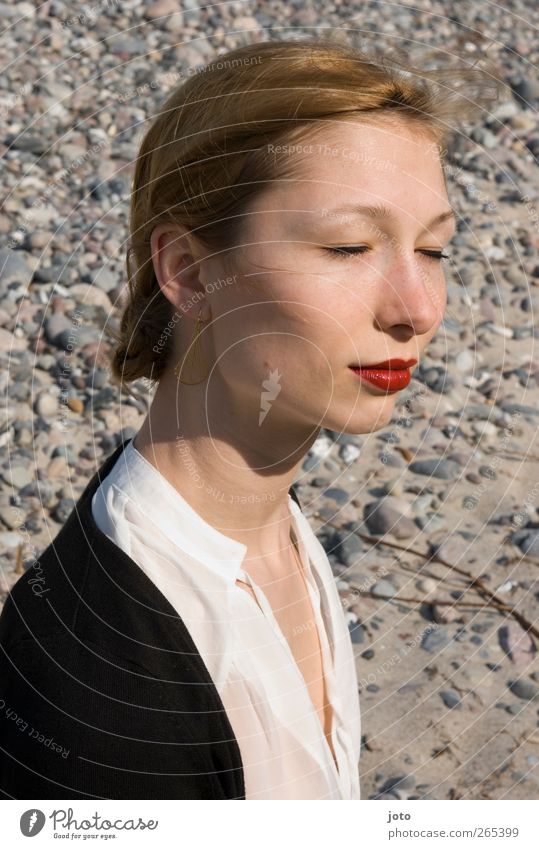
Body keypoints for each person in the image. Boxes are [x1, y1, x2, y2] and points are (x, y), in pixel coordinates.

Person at [0, 35, 494, 800]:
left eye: (434, 249)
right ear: (190, 272)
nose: (418, 309)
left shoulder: (269, 528)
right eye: (347, 245)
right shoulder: (103, 691)